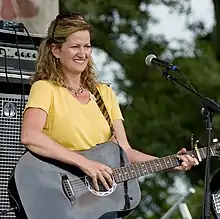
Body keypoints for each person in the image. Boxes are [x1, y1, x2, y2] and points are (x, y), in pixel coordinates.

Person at [21, 12, 199, 218]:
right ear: (55, 50)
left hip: (97, 201)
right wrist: (86, 164)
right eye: (75, 46)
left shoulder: (104, 93)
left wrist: (170, 163)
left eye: (87, 46)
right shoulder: (45, 88)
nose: (83, 53)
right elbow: (30, 136)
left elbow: (124, 151)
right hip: (58, 197)